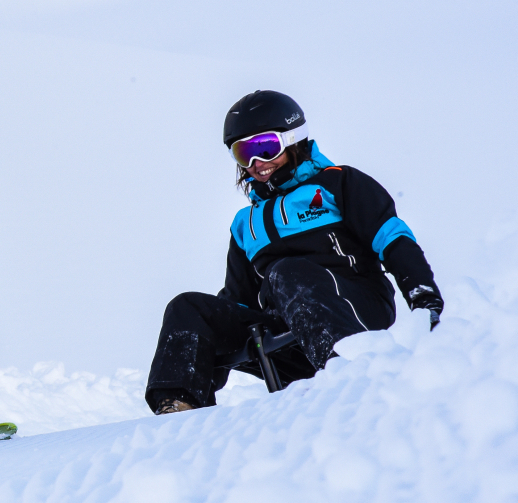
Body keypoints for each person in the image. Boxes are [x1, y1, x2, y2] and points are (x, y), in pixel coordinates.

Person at [145, 90, 443, 414]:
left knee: (286, 271)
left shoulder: (337, 184)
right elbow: (239, 298)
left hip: (353, 312)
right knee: (188, 307)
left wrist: (424, 298)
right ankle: (180, 407)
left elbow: (393, 239)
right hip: (288, 336)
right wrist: (216, 328)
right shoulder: (245, 224)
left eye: (264, 147)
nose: (256, 164)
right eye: (243, 153)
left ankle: (347, 380)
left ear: (292, 139)